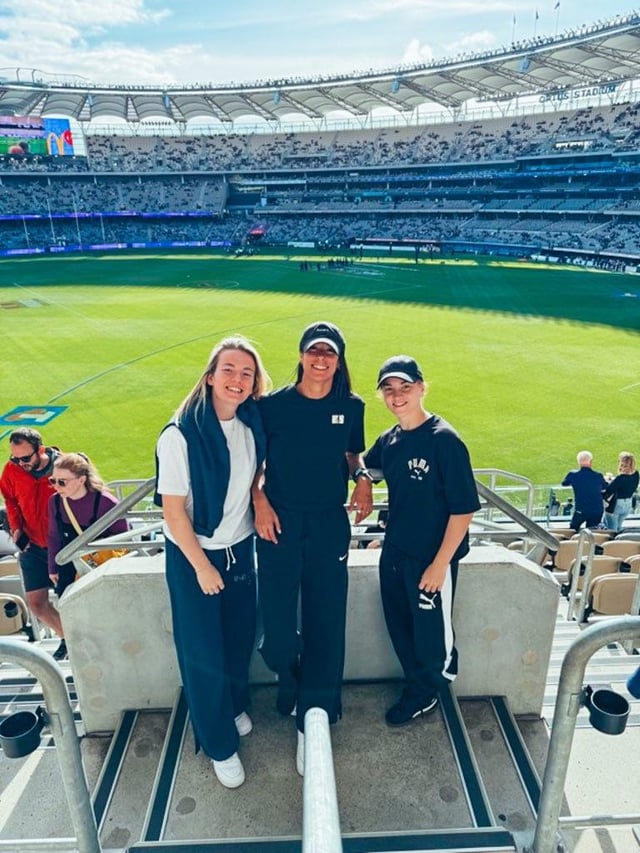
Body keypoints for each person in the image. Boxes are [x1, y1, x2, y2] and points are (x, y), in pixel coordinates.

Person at [253, 320, 373, 776]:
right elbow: (252, 462)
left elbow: (352, 455)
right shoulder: (273, 406)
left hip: (327, 523)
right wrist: (259, 500)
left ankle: (315, 711)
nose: (321, 359)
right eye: (313, 351)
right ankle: (288, 675)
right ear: (302, 356)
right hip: (278, 522)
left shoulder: (352, 406)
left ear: (338, 360)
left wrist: (362, 477)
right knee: (279, 622)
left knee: (327, 618)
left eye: (330, 352)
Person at [155, 337, 269, 790]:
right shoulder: (180, 433)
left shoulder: (249, 422)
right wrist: (203, 567)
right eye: (229, 370)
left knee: (240, 637)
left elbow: (254, 473)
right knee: (202, 653)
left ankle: (235, 704)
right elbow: (173, 513)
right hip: (194, 556)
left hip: (240, 548)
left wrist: (258, 497)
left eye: (246, 373)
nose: (237, 380)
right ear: (210, 376)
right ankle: (218, 743)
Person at [363, 356, 480, 726]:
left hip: (430, 559)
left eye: (405, 388)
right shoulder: (390, 438)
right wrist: (364, 481)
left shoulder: (444, 441)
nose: (397, 396)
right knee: (398, 624)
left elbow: (463, 510)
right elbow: (368, 466)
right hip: (395, 551)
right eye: (389, 389)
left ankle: (428, 689)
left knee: (431, 636)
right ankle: (419, 678)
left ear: (422, 388)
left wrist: (439, 564)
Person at [0, 428, 66, 659]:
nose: (20, 463)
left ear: (40, 450)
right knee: (37, 604)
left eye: (25, 458)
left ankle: (80, 641)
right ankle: (68, 638)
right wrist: (16, 528)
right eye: (15, 458)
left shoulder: (64, 466)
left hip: (63, 548)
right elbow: (9, 497)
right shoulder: (12, 469)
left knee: (70, 602)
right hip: (33, 547)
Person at [47, 453, 129, 605]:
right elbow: (54, 536)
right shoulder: (55, 501)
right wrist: (53, 567)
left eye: (62, 482)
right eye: (53, 480)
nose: (56, 486)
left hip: (102, 569)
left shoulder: (106, 502)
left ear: (81, 480)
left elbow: (124, 538)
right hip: (69, 568)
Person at [561, 451, 606, 532]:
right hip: (596, 509)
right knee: (592, 532)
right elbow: (605, 486)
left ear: (578, 462)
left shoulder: (573, 475)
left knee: (573, 529)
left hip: (581, 509)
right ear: (591, 462)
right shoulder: (598, 476)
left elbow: (564, 483)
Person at [603, 452, 639, 533]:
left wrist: (607, 480)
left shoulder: (620, 478)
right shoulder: (636, 474)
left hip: (616, 505)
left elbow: (609, 490)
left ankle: (612, 545)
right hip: (628, 504)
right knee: (618, 528)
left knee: (612, 531)